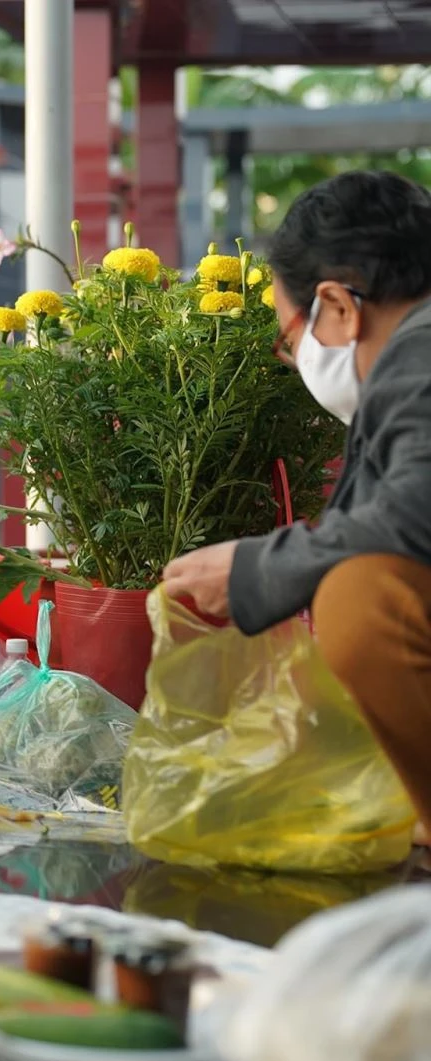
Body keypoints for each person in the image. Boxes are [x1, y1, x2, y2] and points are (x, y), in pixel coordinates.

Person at [162, 170, 431, 836]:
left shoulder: (418, 357)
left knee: (361, 597)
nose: (296, 359)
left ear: (336, 305)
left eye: (289, 339)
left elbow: (412, 513)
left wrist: (257, 571)